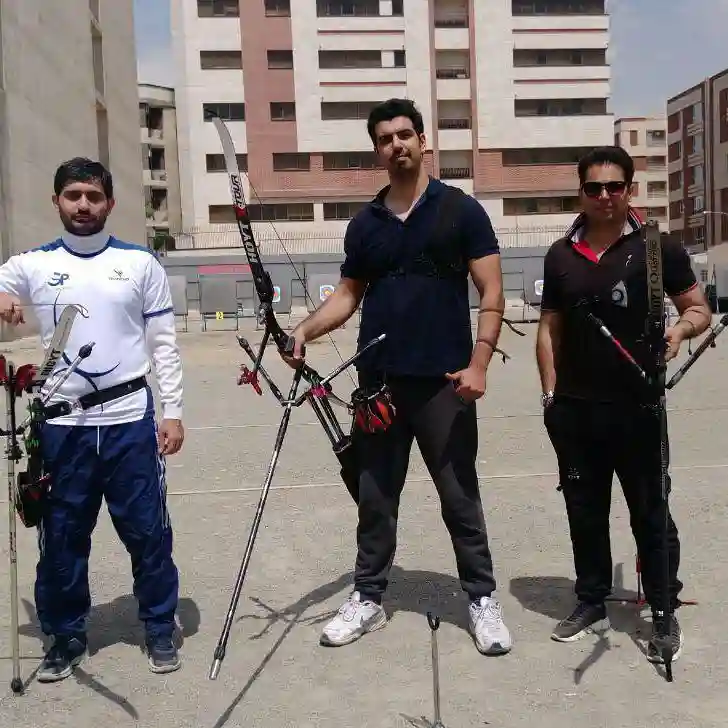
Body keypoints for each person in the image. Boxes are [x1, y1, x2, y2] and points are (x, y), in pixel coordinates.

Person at [281, 98, 512, 656]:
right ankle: (368, 596)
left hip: (445, 382)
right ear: (377, 151)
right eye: (385, 139)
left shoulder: (461, 211)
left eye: (405, 134)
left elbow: (492, 291)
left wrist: (480, 362)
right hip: (379, 383)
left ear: (422, 141)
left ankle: (481, 598)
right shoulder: (365, 225)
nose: (397, 145)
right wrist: (304, 330)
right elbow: (347, 296)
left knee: (459, 495)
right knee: (375, 494)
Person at [0, 158, 185, 681]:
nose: (83, 205)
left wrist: (172, 412)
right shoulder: (31, 264)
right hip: (61, 429)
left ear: (110, 203)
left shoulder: (139, 263)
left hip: (129, 422)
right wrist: (3, 295)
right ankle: (65, 635)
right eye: (73, 195)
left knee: (148, 533)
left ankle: (158, 625)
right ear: (56, 201)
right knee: (61, 539)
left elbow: (163, 344)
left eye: (93, 196)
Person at [536, 146, 711, 664]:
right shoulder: (560, 255)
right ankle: (591, 599)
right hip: (575, 410)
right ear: (582, 193)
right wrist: (550, 395)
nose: (605, 196)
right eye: (594, 188)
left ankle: (663, 608)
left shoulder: (657, 249)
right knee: (584, 511)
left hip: (638, 408)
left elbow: (698, 309)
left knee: (651, 514)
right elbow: (548, 331)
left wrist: (680, 331)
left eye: (615, 186)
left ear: (630, 190)